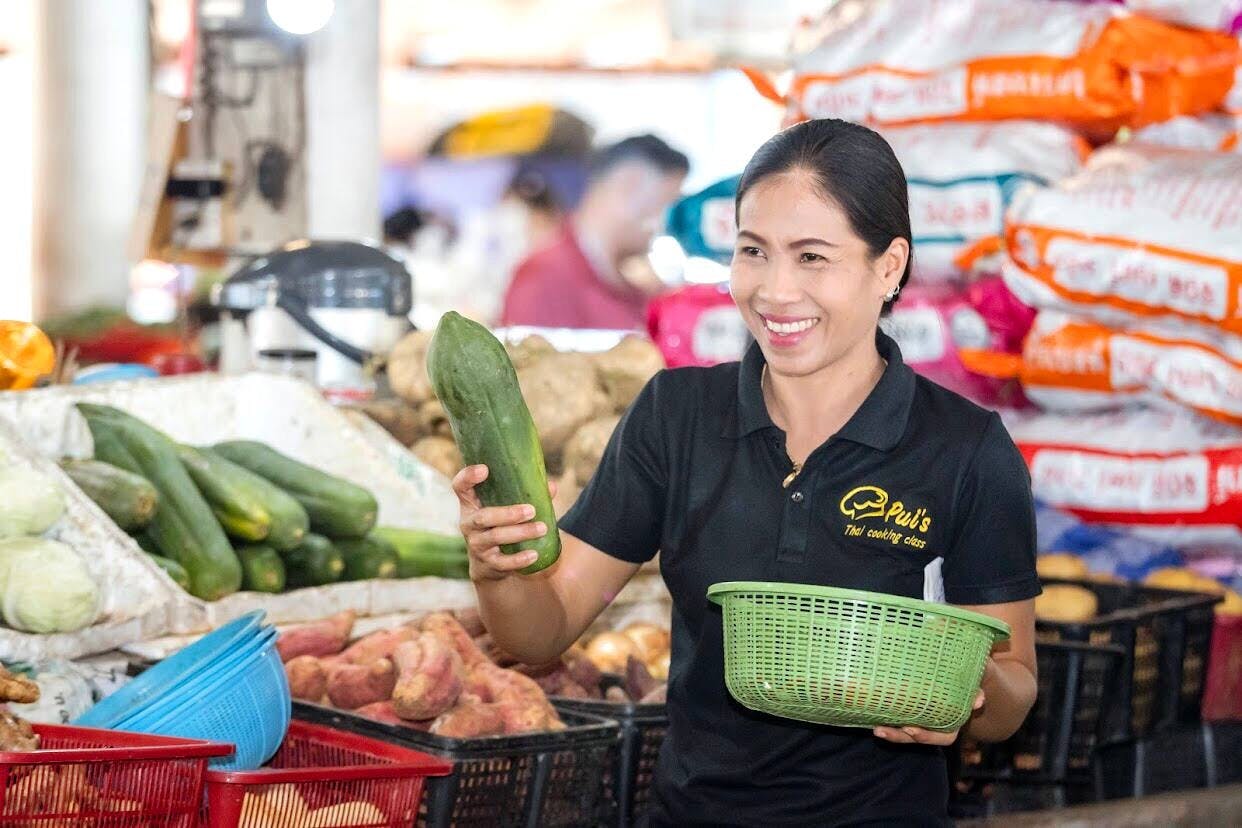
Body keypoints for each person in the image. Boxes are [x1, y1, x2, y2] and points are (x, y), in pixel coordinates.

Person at [456, 119, 1039, 826]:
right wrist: (497, 568)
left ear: (888, 267)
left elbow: (1014, 693)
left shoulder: (966, 449)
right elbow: (540, 632)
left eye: (813, 257)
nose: (774, 290)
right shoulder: (677, 415)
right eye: (753, 251)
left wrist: (963, 691)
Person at [499, 134, 689, 330]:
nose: (664, 226)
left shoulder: (633, 288)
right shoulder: (544, 279)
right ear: (629, 185)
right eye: (667, 205)